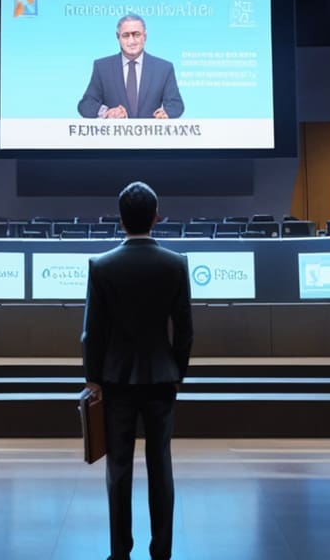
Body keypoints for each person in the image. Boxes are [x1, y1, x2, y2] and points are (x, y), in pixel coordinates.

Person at [81, 181, 193, 560]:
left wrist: (92, 378)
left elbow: (92, 332)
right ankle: (161, 551)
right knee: (161, 465)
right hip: (161, 378)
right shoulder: (175, 264)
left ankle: (120, 552)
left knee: (118, 468)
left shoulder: (101, 266)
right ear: (157, 217)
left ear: (120, 220)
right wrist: (178, 371)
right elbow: (185, 329)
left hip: (116, 380)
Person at [77, 14, 185, 119]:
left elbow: (176, 105)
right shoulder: (102, 67)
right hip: (115, 132)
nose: (131, 41)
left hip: (150, 132)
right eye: (125, 35)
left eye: (137, 35)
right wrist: (107, 112)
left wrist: (167, 113)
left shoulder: (163, 69)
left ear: (145, 36)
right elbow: (86, 105)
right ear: (118, 37)